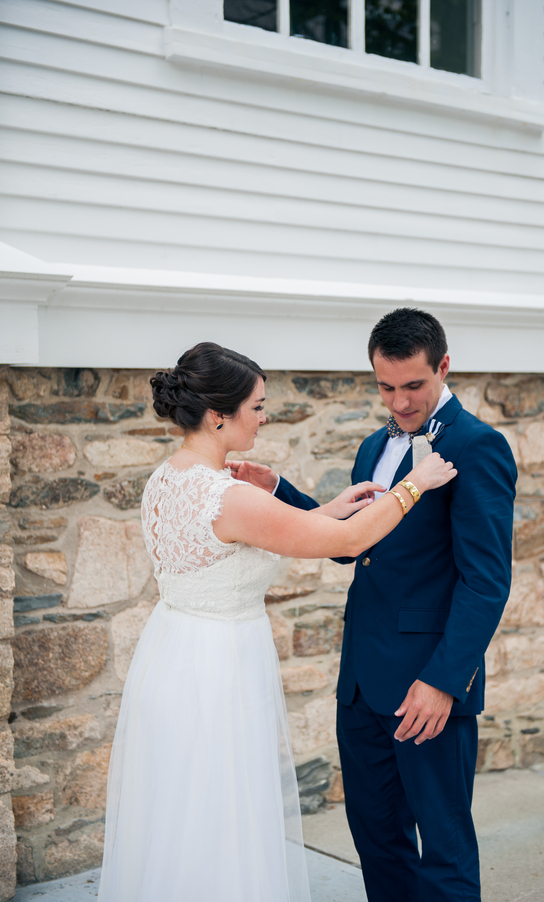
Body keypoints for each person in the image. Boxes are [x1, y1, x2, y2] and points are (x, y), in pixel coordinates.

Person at [97, 340, 456, 902]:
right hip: (219, 669)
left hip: (175, 654)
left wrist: (330, 506)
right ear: (220, 415)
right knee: (224, 813)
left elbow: (270, 533)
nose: (264, 417)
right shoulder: (228, 496)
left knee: (183, 809)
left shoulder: (167, 479)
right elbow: (345, 540)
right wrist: (417, 482)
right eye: (257, 406)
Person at [231, 308, 518, 902]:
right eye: (386, 387)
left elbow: (486, 581)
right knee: (377, 841)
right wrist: (279, 493)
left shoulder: (478, 446)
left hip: (427, 687)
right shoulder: (372, 447)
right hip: (360, 684)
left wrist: (444, 680)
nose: (400, 402)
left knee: (444, 850)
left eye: (413, 385)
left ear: (443, 366)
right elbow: (350, 543)